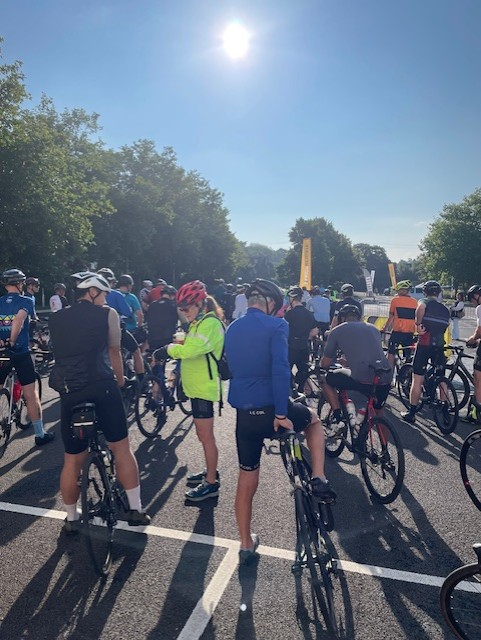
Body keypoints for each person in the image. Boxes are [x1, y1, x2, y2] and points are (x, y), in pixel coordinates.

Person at [225, 278, 336, 564]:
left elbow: (229, 367)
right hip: (272, 409)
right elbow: (280, 369)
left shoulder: (233, 327)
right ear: (271, 302)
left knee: (246, 478)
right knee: (313, 421)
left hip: (245, 416)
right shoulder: (277, 325)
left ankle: (245, 542)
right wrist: (281, 414)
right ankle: (318, 476)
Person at [48, 272, 150, 534]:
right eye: (103, 293)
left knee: (72, 460)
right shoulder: (107, 314)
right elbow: (114, 350)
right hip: (101, 385)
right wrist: (120, 380)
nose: (105, 298)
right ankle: (135, 509)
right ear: (92, 292)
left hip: (70, 391)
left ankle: (71, 517)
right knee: (121, 448)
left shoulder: (56, 318)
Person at [154, 281, 224, 502]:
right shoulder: (199, 322)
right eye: (181, 308)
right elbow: (191, 346)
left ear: (200, 304)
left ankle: (211, 483)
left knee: (206, 437)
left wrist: (168, 349)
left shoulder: (209, 323)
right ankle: (210, 471)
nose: (184, 312)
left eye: (186, 308)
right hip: (196, 387)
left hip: (203, 388)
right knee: (203, 436)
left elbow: (192, 350)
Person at [0, 269, 54, 445]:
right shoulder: (26, 301)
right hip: (20, 352)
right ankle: (40, 434)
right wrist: (12, 340)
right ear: (19, 283)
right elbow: (19, 320)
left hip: (1, 352)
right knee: (30, 394)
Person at [320, 304, 392, 434]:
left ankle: (339, 419)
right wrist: (349, 362)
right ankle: (384, 445)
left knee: (325, 379)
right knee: (379, 412)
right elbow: (370, 354)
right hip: (385, 376)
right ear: (359, 317)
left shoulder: (337, 330)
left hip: (362, 378)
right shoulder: (374, 328)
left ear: (342, 318)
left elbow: (325, 363)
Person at [401, 281, 450, 424]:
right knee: (442, 379)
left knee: (417, 379)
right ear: (439, 292)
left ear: (425, 292)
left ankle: (411, 413)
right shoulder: (444, 308)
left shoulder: (424, 301)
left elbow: (421, 307)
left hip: (424, 344)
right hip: (439, 346)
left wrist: (418, 324)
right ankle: (445, 409)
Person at [284, 286, 318, 394]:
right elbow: (315, 331)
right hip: (304, 345)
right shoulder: (309, 313)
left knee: (286, 369)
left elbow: (283, 329)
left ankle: (291, 390)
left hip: (291, 346)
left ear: (292, 298)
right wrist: (305, 336)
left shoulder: (290, 313)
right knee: (303, 371)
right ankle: (300, 391)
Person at [381, 280, 417, 368]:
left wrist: (384, 329)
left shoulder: (395, 300)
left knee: (391, 352)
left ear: (401, 290)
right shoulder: (415, 302)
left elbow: (391, 317)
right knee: (407, 354)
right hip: (409, 332)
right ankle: (407, 371)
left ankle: (390, 371)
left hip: (397, 331)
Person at [466, 285, 481, 414]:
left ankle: (477, 412)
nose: (472, 303)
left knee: (478, 378)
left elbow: (479, 330)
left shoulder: (480, 308)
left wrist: (472, 339)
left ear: (476, 296)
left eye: (471, 299)